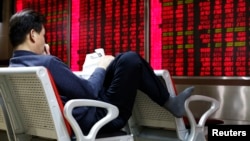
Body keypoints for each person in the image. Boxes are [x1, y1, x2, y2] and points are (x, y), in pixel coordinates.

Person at [8, 9, 194, 134]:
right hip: (97, 121)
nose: (44, 40)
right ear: (33, 35)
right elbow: (89, 91)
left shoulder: (13, 69)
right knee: (130, 59)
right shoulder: (47, 64)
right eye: (43, 35)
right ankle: (170, 102)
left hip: (53, 127)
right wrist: (101, 66)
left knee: (119, 62)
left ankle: (167, 100)